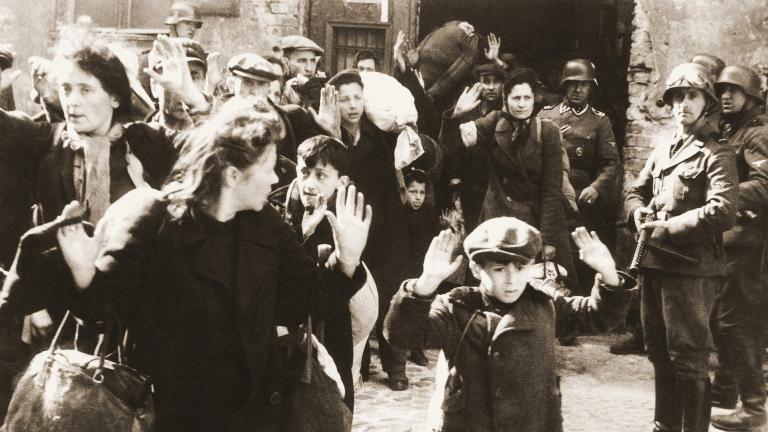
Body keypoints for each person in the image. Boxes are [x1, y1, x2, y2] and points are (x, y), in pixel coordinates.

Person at [35, 98, 372, 432]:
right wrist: (83, 274)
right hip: (172, 415)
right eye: (268, 167)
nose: (274, 180)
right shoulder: (157, 221)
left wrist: (348, 259)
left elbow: (305, 302)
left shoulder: (265, 223)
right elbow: (103, 316)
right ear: (233, 175)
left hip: (253, 415)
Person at [383, 218, 634, 432]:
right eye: (500, 269)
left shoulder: (546, 304)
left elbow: (599, 316)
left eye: (521, 267)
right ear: (477, 268)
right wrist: (425, 284)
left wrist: (609, 274)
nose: (512, 280)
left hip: (532, 423)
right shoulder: (456, 307)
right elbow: (401, 336)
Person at [625, 62, 739, 432]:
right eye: (676, 97)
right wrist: (638, 212)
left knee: (689, 359)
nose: (682, 105)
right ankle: (665, 426)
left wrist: (669, 228)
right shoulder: (664, 148)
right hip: (654, 264)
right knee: (658, 352)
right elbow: (634, 191)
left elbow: (722, 211)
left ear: (707, 103)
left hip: (691, 269)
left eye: (691, 96)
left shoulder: (717, 153)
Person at [329, 68, 436, 391]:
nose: (352, 105)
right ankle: (356, 363)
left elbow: (423, 155)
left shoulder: (381, 134)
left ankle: (395, 365)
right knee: (351, 297)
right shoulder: (330, 137)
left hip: (386, 227)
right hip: (348, 228)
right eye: (344, 99)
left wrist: (410, 132)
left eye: (357, 98)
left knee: (390, 294)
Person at [441, 67, 576, 286]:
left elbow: (552, 190)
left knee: (541, 286)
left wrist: (548, 238)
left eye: (527, 97)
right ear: (506, 99)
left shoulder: (548, 131)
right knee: (496, 284)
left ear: (534, 99)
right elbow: (452, 147)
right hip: (499, 217)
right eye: (516, 98)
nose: (522, 104)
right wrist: (455, 117)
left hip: (536, 218)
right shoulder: (494, 122)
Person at [708, 65, 768, 431]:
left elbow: (764, 184)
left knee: (737, 323)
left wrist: (720, 195)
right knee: (724, 319)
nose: (727, 96)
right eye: (723, 90)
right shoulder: (732, 130)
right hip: (730, 242)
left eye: (735, 91)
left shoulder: (757, 134)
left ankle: (754, 407)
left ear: (752, 96)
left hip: (747, 246)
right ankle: (726, 391)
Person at [539, 59, 620, 295]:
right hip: (551, 194)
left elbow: (611, 162)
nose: (578, 90)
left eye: (584, 85)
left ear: (591, 88)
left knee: (579, 253)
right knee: (548, 250)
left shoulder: (599, 120)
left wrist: (596, 187)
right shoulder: (547, 115)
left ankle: (580, 305)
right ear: (564, 85)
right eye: (573, 84)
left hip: (583, 200)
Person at [280, 35, 326, 108]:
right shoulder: (276, 90)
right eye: (302, 61)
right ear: (286, 63)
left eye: (313, 61)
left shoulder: (322, 87)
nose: (309, 68)